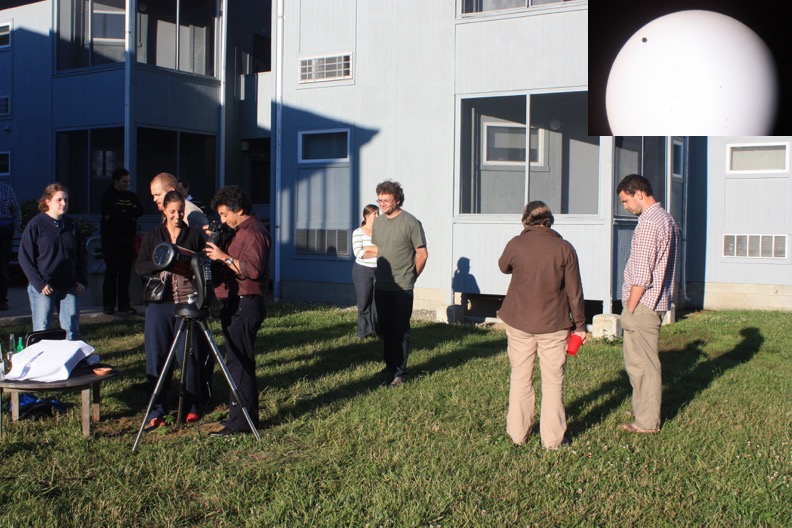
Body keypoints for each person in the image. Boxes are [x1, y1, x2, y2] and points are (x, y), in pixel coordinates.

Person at [498, 201, 586, 450]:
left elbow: (503, 267)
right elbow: (575, 292)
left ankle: (517, 435)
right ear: (550, 221)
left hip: (519, 323)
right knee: (553, 382)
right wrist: (580, 325)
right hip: (554, 326)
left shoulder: (516, 243)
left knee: (521, 378)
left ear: (526, 220)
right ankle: (553, 440)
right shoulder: (564, 248)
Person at [135, 191, 208, 429]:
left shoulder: (194, 235)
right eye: (172, 211)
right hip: (159, 303)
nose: (177, 216)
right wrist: (162, 263)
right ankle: (156, 409)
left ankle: (192, 405)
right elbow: (140, 266)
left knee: (189, 355)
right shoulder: (153, 235)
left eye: (180, 211)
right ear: (164, 211)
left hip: (186, 301)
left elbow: (204, 264)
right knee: (156, 357)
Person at [203, 185, 270, 437]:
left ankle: (242, 422)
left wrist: (223, 257)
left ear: (239, 210)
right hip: (233, 302)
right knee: (236, 361)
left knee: (240, 363)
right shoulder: (237, 231)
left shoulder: (254, 233)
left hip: (245, 303)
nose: (222, 220)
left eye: (224, 215)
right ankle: (240, 417)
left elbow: (252, 270)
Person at [616, 174, 679, 434]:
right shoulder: (667, 219)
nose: (625, 207)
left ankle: (646, 422)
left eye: (626, 200)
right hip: (656, 301)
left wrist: (630, 306)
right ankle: (643, 413)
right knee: (642, 363)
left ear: (639, 193)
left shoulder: (648, 223)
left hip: (642, 303)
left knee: (642, 364)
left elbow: (642, 274)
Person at [372, 180, 427, 388]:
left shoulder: (411, 223)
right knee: (384, 328)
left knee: (400, 329)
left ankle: (400, 373)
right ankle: (389, 366)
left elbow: (422, 254)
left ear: (397, 199)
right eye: (379, 200)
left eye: (386, 200)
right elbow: (382, 250)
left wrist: (411, 276)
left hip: (402, 286)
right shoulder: (378, 222)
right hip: (382, 284)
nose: (382, 204)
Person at [18, 184, 86, 340]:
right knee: (42, 331)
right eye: (59, 199)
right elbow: (25, 257)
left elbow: (80, 256)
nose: (64, 203)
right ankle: (43, 364)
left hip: (69, 287)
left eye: (66, 200)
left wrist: (82, 280)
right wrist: (39, 283)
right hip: (45, 287)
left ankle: (72, 363)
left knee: (72, 331)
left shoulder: (71, 225)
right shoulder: (36, 225)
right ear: (47, 201)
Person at [100, 168, 143, 315]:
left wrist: (123, 213)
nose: (127, 184)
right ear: (116, 181)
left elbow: (139, 211)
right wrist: (127, 214)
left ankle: (124, 305)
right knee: (111, 273)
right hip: (112, 241)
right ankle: (109, 305)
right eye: (124, 181)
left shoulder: (132, 196)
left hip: (128, 240)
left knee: (126, 274)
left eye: (128, 181)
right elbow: (111, 212)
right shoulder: (108, 196)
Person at [352, 204, 380, 339]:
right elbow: (359, 252)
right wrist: (378, 250)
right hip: (362, 271)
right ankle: (364, 332)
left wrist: (369, 248)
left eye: (378, 213)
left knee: (378, 303)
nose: (377, 216)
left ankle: (378, 330)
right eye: (374, 213)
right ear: (367, 216)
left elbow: (387, 247)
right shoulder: (358, 232)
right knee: (364, 302)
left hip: (380, 270)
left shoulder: (381, 231)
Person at [0, 182, 22, 311]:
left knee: (2, 269)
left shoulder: (7, 189)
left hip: (4, 234)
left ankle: (2, 300)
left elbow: (16, 212)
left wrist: (13, 231)